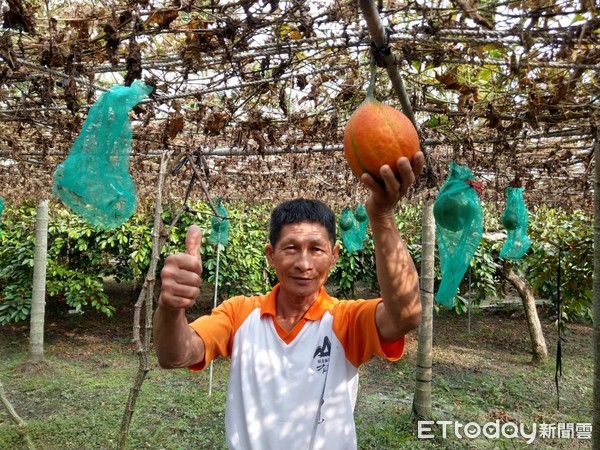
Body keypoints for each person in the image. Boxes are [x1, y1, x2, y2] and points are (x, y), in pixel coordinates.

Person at [153, 152, 425, 449]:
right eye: (291, 248)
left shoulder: (346, 320)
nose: (304, 263)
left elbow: (406, 314)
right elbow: (175, 355)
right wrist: (170, 308)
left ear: (334, 256)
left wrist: (382, 216)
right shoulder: (239, 314)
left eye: (317, 250)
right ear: (271, 255)